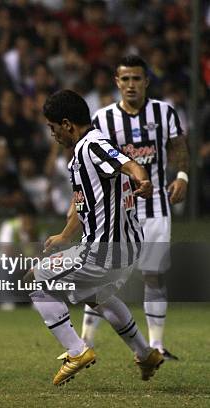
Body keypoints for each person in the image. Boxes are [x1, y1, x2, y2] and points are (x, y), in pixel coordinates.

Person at [32, 89, 163, 386]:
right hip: (125, 248)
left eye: (52, 128)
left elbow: (128, 164)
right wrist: (65, 236)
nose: (52, 135)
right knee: (97, 295)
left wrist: (143, 180)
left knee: (37, 280)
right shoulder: (84, 153)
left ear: (67, 124)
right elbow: (86, 204)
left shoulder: (93, 145)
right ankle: (146, 354)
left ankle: (76, 351)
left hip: (105, 250)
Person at [82, 55, 189, 360]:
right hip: (117, 208)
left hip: (155, 206)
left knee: (153, 274)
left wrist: (181, 175)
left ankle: (156, 345)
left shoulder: (164, 112)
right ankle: (84, 342)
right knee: (99, 275)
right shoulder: (102, 119)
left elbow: (179, 145)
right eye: (125, 79)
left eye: (136, 79)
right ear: (117, 82)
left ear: (146, 81)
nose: (130, 85)